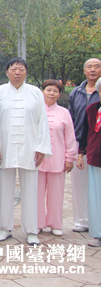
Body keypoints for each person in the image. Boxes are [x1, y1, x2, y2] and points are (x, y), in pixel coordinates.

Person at [0, 58, 52, 246]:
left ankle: (31, 230)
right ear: (7, 72)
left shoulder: (35, 93)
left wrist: (41, 147)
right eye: (13, 69)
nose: (17, 72)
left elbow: (42, 121)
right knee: (5, 189)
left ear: (26, 72)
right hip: (5, 147)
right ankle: (4, 228)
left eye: (21, 69)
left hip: (30, 147)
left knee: (30, 191)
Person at [38, 80, 77, 236]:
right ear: (42, 91)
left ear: (59, 94)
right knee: (36, 194)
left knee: (56, 194)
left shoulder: (64, 113)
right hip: (37, 160)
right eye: (48, 90)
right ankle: (37, 223)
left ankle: (55, 224)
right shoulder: (36, 110)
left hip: (58, 159)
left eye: (55, 91)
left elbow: (70, 137)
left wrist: (70, 158)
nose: (51, 93)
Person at [68, 58, 101, 233]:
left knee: (96, 185)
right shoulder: (76, 92)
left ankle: (97, 220)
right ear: (84, 70)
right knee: (80, 184)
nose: (93, 69)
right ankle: (82, 221)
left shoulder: (100, 91)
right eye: (89, 66)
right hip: (79, 144)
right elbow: (71, 118)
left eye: (97, 66)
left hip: (96, 144)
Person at [78, 77, 101, 247]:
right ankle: (98, 234)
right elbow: (84, 133)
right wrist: (81, 154)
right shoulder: (91, 109)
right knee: (96, 198)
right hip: (95, 158)